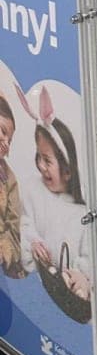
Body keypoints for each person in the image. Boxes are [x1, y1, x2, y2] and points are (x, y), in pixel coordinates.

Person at [16, 85, 92, 310]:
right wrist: (33, 243)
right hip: (36, 289)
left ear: (68, 171)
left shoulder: (82, 214)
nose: (41, 166)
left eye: (47, 161)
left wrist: (81, 275)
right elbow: (23, 222)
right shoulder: (31, 188)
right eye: (38, 157)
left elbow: (89, 258)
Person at [0, 95, 24, 278]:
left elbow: (14, 233)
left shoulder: (9, 180)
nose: (6, 144)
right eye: (3, 131)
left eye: (11, 140)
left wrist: (4, 252)